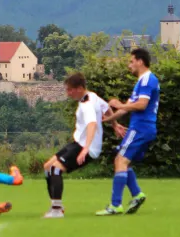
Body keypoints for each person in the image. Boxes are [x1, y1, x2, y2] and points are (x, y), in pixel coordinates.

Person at [42, 72, 125, 218]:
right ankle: (57, 206)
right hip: (78, 143)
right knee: (48, 167)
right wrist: (115, 124)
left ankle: (56, 210)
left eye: (70, 90)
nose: (68, 94)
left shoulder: (87, 105)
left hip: (85, 147)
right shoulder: (92, 96)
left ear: (79, 88)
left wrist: (85, 149)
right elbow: (106, 108)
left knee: (55, 169)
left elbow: (92, 124)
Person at [96, 48, 160, 216]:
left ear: (140, 61)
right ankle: (137, 195)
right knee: (123, 161)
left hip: (141, 128)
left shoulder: (147, 80)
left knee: (120, 161)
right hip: (142, 128)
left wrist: (119, 105)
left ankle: (115, 205)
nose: (129, 65)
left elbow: (141, 105)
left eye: (131, 61)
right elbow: (127, 108)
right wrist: (108, 120)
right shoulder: (141, 82)